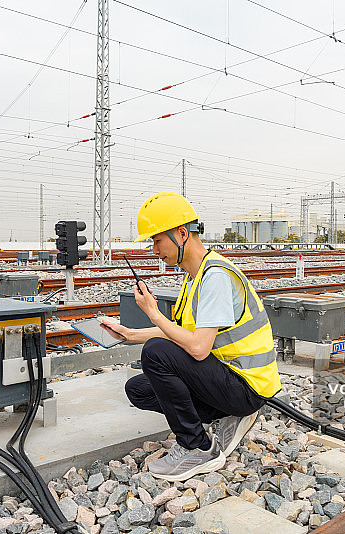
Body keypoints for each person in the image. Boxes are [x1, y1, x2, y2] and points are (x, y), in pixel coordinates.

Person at [101, 192, 282, 481]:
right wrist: (129, 333)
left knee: (156, 353)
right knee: (138, 389)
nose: (154, 249)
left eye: (157, 240)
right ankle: (226, 415)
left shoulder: (216, 277)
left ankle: (197, 447)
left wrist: (153, 313)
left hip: (248, 386)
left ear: (182, 234)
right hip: (226, 376)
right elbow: (182, 333)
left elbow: (197, 349)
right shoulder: (195, 276)